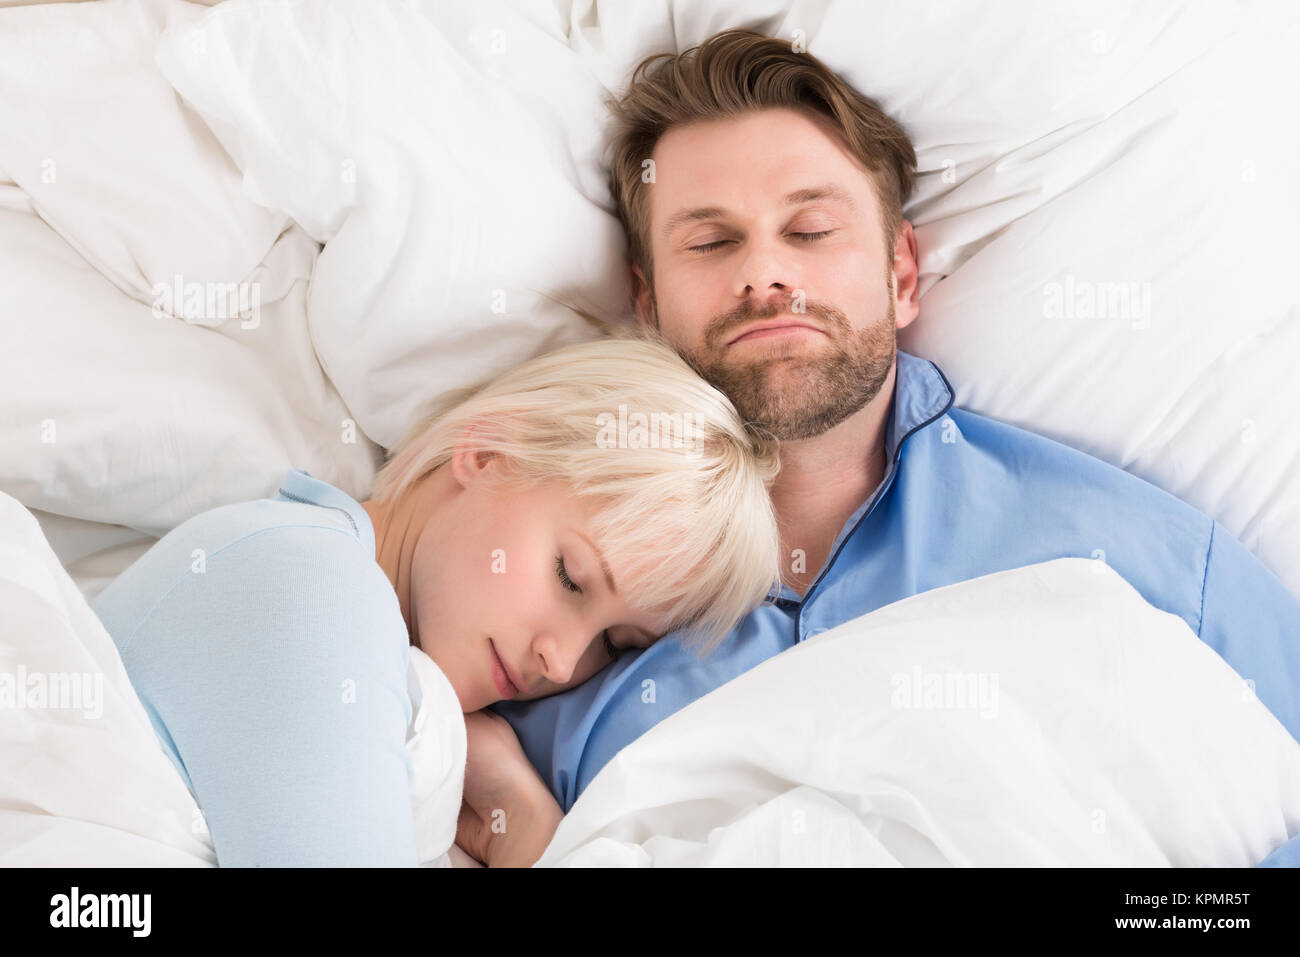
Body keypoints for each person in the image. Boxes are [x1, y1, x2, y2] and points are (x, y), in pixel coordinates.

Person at [490, 29, 1300, 866]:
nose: (765, 273)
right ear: (648, 307)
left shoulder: (1126, 554)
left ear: (902, 276)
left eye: (808, 230)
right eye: (711, 242)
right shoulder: (562, 627)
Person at [92, 334, 783, 867]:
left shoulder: (334, 602)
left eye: (615, 643)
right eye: (570, 575)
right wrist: (532, 829)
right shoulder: (310, 586)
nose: (563, 658)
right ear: (485, 452)